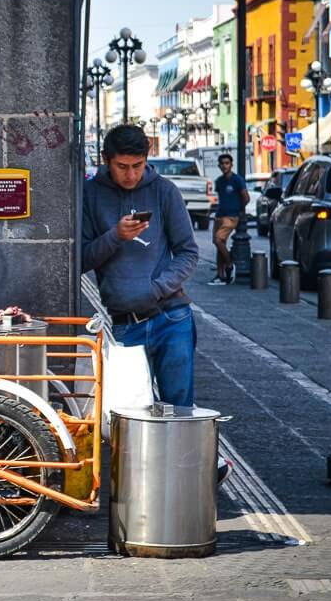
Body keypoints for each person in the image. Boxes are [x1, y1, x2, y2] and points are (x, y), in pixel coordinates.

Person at [82, 124, 231, 484]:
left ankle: (186, 487)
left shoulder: (164, 191)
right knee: (131, 412)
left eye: (138, 165)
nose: (131, 174)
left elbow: (188, 252)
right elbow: (81, 258)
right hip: (124, 323)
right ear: (106, 161)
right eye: (122, 166)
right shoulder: (90, 195)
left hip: (171, 315)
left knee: (180, 406)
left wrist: (158, 287)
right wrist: (115, 236)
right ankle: (143, 489)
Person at [207, 153, 249, 286]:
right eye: (222, 163)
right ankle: (220, 275)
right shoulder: (219, 181)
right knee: (220, 244)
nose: (225, 166)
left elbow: (245, 197)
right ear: (219, 165)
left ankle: (230, 264)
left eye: (227, 163)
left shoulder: (237, 180)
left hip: (231, 216)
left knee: (218, 240)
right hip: (220, 215)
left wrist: (240, 210)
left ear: (231, 164)